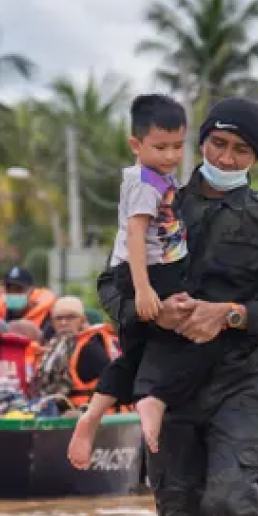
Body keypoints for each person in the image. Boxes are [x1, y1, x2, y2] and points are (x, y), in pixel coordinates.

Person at [96, 96, 258, 516]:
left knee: (234, 500)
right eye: (217, 144)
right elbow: (111, 284)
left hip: (241, 379)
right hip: (169, 384)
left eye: (241, 150)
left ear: (257, 157)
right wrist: (156, 312)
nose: (227, 159)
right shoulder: (156, 201)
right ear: (201, 142)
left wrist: (230, 314)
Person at [69, 94, 202, 455]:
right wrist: (144, 289)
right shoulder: (146, 183)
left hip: (145, 272)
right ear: (136, 144)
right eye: (161, 147)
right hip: (153, 273)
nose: (171, 156)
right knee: (186, 338)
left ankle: (92, 415)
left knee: (132, 357)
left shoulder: (154, 177)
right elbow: (136, 235)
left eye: (178, 146)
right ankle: (151, 401)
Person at [0, 266, 57, 340]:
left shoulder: (48, 316)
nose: (13, 294)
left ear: (31, 290)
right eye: (9, 289)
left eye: (19, 289)